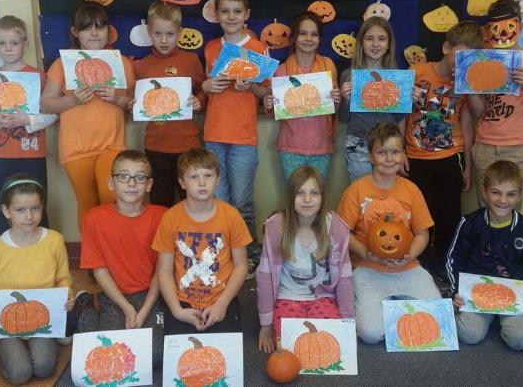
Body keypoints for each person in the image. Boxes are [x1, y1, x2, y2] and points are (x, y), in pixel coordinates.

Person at [336, 121, 440, 344]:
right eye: (381, 152)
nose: (389, 158)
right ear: (370, 157)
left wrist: (410, 255)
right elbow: (341, 232)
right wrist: (365, 252)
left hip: (407, 267)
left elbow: (422, 234)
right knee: (371, 334)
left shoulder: (411, 190)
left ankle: (390, 304)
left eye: (395, 152)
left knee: (437, 318)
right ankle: (386, 304)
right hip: (368, 268)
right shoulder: (356, 190)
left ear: (403, 155)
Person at [40, 0, 136, 225]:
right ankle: (92, 248)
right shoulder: (62, 64)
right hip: (76, 149)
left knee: (112, 198)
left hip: (111, 145)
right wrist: (72, 99)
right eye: (86, 27)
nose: (94, 33)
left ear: (108, 31)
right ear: (75, 32)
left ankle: (113, 246)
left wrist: (117, 98)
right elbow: (45, 104)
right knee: (87, 204)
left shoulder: (121, 63)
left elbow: (135, 105)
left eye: (100, 27)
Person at [0, 174, 75, 385]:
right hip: (7, 321)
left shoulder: (54, 240)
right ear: (6, 211)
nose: (29, 216)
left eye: (35, 208)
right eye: (20, 210)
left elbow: (63, 278)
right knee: (20, 374)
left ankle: (57, 334)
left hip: (42, 318)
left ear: (42, 207)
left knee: (44, 368)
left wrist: (67, 296)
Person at [201, 0, 269, 277]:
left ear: (246, 14)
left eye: (236, 11)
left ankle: (250, 255)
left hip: (243, 137)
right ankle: (225, 253)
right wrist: (207, 86)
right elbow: (204, 88)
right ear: (216, 14)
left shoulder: (257, 48)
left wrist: (250, 86)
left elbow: (266, 92)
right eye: (225, 11)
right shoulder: (211, 48)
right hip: (213, 135)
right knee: (219, 201)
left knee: (242, 202)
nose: (231, 17)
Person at [405, 20, 481, 280]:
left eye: (470, 58)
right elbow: (401, 112)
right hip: (416, 157)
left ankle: (443, 269)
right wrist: (401, 150)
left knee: (448, 217)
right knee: (420, 216)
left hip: (450, 157)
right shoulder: (417, 71)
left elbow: (469, 121)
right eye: (460, 54)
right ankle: (421, 267)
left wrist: (468, 165)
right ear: (446, 47)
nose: (463, 62)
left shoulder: (465, 82)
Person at [77, 150, 167, 361]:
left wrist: (143, 311)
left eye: (140, 177)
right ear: (111, 182)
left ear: (149, 185)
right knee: (113, 354)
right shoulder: (94, 219)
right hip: (113, 295)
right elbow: (99, 271)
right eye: (124, 176)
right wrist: (126, 308)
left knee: (156, 355)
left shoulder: (163, 216)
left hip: (151, 294)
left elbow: (161, 271)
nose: (132, 183)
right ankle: (84, 306)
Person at [446, 160, 523, 350]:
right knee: (469, 335)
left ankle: (503, 320)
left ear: (520, 195)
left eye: (511, 194)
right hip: (476, 295)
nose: (503, 200)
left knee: (520, 340)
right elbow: (454, 260)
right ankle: (474, 316)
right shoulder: (469, 224)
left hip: (515, 297)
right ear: (484, 191)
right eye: (496, 192)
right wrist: (456, 292)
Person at [152, 147, 251, 335]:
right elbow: (163, 270)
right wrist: (177, 311)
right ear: (182, 182)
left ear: (218, 179)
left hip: (222, 297)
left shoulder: (231, 216)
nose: (202, 182)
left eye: (208, 175)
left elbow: (241, 266)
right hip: (181, 300)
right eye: (194, 177)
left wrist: (222, 304)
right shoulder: (170, 218)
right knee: (177, 349)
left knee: (225, 349)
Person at [256, 166, 354, 353]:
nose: (307, 199)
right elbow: (265, 278)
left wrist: (348, 322)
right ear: (290, 196)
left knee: (327, 343)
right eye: (300, 193)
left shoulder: (335, 227)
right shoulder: (276, 226)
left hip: (322, 296)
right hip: (287, 296)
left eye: (314, 193)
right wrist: (266, 326)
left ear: (322, 196)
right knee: (291, 346)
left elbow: (344, 279)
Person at [466, 0, 523, 208]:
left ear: (520, 27)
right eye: (496, 27)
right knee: (485, 207)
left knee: (510, 207)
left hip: (516, 147)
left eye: (509, 26)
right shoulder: (482, 60)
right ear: (488, 30)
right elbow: (479, 111)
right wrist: (470, 86)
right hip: (484, 145)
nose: (502, 33)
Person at [0, 15, 57, 234]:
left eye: (14, 43)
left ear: (25, 44)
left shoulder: (39, 76)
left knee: (37, 205)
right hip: (1, 155)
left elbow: (53, 114)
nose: (8, 48)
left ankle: (42, 250)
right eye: (2, 43)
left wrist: (28, 120)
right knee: (4, 206)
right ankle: (7, 249)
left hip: (32, 153)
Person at [133, 1, 205, 207]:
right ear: (149, 32)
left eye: (170, 34)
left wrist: (199, 101)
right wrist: (132, 104)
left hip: (187, 146)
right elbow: (134, 101)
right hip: (156, 146)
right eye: (157, 34)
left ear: (180, 33)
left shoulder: (191, 60)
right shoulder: (141, 66)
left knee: (192, 203)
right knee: (160, 205)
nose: (164, 40)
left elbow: (204, 91)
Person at [262, 12, 341, 181]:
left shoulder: (328, 65)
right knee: (294, 193)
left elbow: (333, 108)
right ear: (294, 37)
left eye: (314, 34)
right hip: (290, 147)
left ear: (320, 39)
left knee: (317, 192)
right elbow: (277, 111)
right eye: (303, 33)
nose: (309, 38)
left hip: (321, 146)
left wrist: (336, 99)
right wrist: (269, 105)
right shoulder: (281, 70)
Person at [339, 16, 407, 182]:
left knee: (386, 190)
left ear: (388, 44)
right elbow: (344, 118)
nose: (375, 44)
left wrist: (401, 148)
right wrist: (346, 100)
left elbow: (400, 118)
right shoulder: (349, 76)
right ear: (361, 43)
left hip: (389, 145)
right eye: (369, 39)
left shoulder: (397, 78)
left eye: (381, 39)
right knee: (363, 190)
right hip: (358, 144)